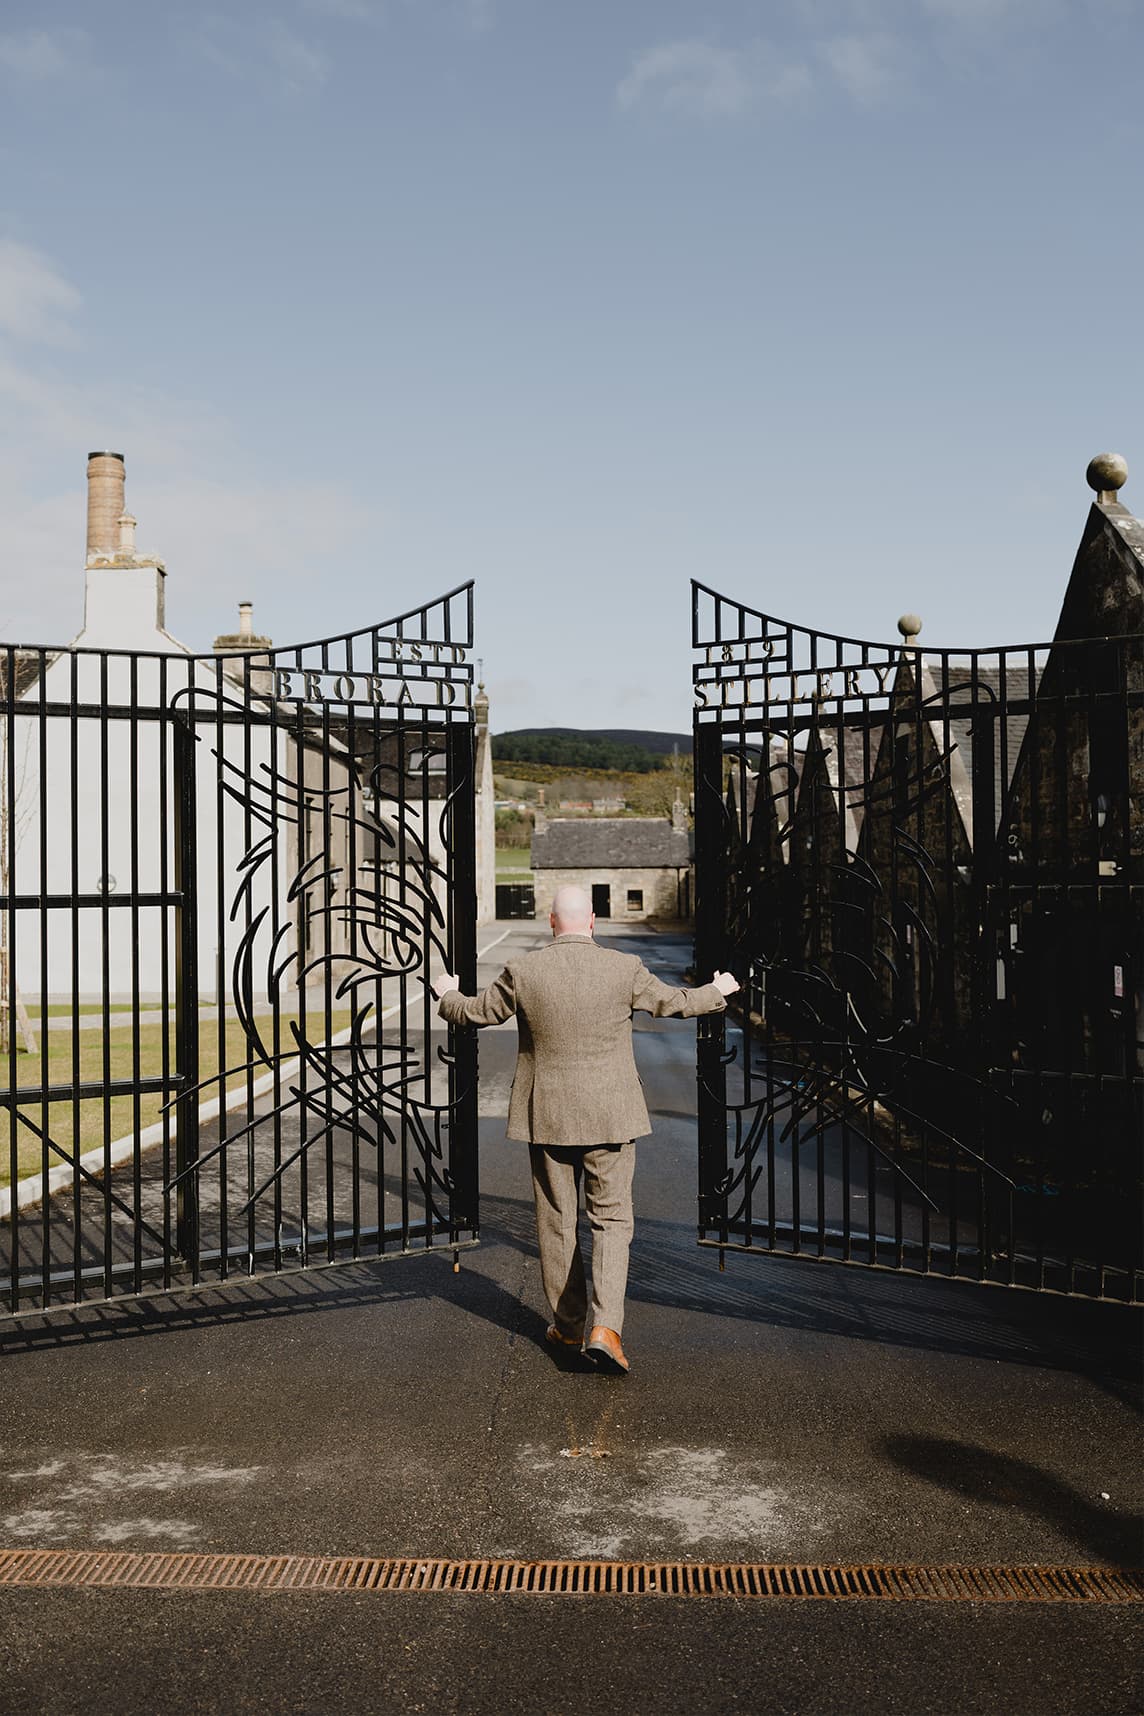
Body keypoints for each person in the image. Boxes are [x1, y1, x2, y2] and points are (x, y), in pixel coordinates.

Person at [432, 884, 739, 1374]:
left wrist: (447, 992)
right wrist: (717, 993)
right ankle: (606, 1330)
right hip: (612, 1117)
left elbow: (476, 1013)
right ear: (592, 921)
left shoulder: (524, 970)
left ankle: (570, 1326)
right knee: (612, 1222)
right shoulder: (623, 968)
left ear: (552, 922)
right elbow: (673, 1003)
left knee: (557, 1222)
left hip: (547, 1116)